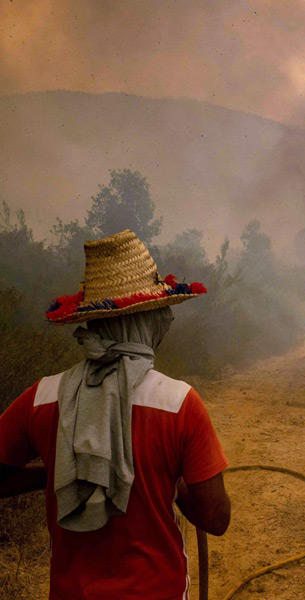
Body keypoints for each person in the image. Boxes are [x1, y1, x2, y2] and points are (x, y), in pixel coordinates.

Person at [0, 229, 230, 600]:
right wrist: (175, 485)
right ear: (146, 322)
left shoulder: (40, 398)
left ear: (95, 322)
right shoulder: (180, 403)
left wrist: (62, 472)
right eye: (159, 315)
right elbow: (216, 520)